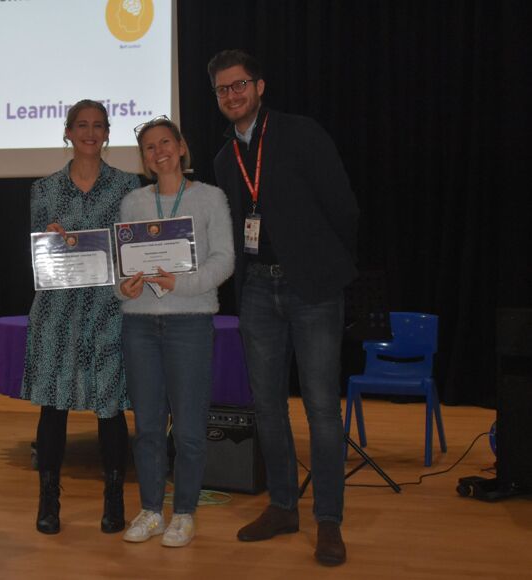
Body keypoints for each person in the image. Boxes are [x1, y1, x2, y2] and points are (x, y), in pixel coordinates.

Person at [208, 49, 359, 566]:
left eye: (240, 84)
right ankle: (282, 506)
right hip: (256, 291)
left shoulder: (300, 133)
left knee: (321, 408)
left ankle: (329, 520)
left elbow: (343, 206)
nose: (233, 95)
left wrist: (328, 267)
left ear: (259, 86)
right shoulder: (224, 160)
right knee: (268, 407)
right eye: (223, 89)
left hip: (312, 289)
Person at [21, 99, 140, 535]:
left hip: (109, 310)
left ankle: (114, 498)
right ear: (68, 131)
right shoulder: (44, 189)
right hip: (57, 312)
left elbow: (132, 249)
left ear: (108, 133)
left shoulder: (129, 185)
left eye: (98, 125)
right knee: (53, 408)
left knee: (110, 409)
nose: (90, 133)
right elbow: (37, 256)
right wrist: (49, 241)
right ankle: (48, 500)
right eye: (82, 125)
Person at [118, 117, 234, 547]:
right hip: (139, 324)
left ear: (181, 147)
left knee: (187, 428)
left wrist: (179, 284)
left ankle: (184, 513)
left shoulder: (210, 197)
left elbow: (224, 260)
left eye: (165, 142)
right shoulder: (133, 202)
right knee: (148, 426)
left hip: (190, 321)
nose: (159, 152)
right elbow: (121, 267)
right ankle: (151, 510)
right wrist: (124, 287)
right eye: (149, 147)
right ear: (144, 158)